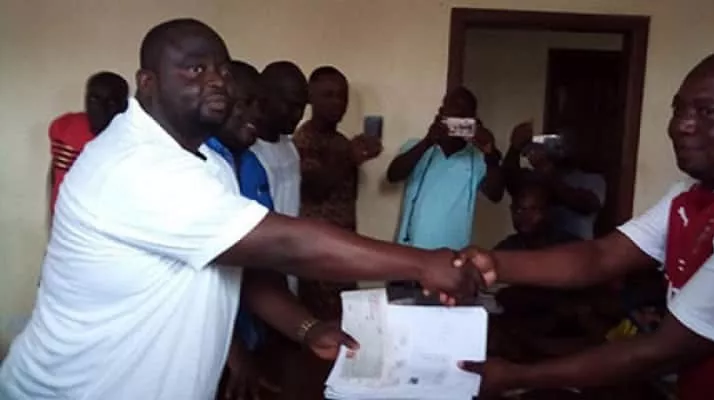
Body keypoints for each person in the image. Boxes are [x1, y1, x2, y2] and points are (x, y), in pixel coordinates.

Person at [0, 19, 490, 400]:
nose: (218, 81)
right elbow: (286, 244)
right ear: (147, 83)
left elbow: (241, 264)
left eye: (221, 68)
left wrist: (307, 328)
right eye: (195, 69)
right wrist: (425, 264)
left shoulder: (208, 159)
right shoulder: (134, 165)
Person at [459, 50, 714, 399]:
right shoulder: (692, 194)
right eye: (678, 109)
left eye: (707, 112)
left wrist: (515, 376)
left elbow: (660, 352)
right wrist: (490, 264)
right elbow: (601, 257)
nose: (681, 125)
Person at [206, 59, 350, 399]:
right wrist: (232, 349)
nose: (256, 113)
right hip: (206, 344)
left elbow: (258, 265)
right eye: (245, 103)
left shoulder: (251, 164)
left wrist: (307, 329)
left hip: (255, 321)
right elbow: (198, 280)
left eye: (258, 103)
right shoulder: (196, 166)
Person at [293, 66, 382, 320]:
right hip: (316, 253)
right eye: (328, 95)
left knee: (346, 320)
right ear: (311, 97)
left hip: (343, 250)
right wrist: (349, 158)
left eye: (342, 96)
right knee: (320, 326)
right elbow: (314, 188)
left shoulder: (342, 141)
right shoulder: (303, 140)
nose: (337, 103)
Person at [387, 87, 504, 253]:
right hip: (410, 250)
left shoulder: (477, 158)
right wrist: (428, 141)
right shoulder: (416, 147)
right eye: (453, 115)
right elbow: (392, 175)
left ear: (474, 120)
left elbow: (496, 195)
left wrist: (490, 152)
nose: (457, 120)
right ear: (441, 114)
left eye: (464, 116)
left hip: (453, 255)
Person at [250, 60, 308, 295]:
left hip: (289, 262)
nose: (298, 115)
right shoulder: (250, 151)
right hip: (260, 267)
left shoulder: (290, 147)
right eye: (291, 105)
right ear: (265, 99)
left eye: (302, 106)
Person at [503, 122, 605, 240]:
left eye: (565, 142)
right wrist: (515, 148)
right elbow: (510, 182)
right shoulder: (537, 177)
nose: (561, 148)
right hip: (543, 248)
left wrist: (547, 171)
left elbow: (586, 204)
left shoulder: (593, 179)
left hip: (577, 248)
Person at [48, 71, 128, 213]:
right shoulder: (64, 126)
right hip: (62, 221)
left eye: (111, 102)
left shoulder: (128, 142)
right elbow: (56, 172)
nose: (100, 108)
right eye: (94, 99)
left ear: (124, 106)